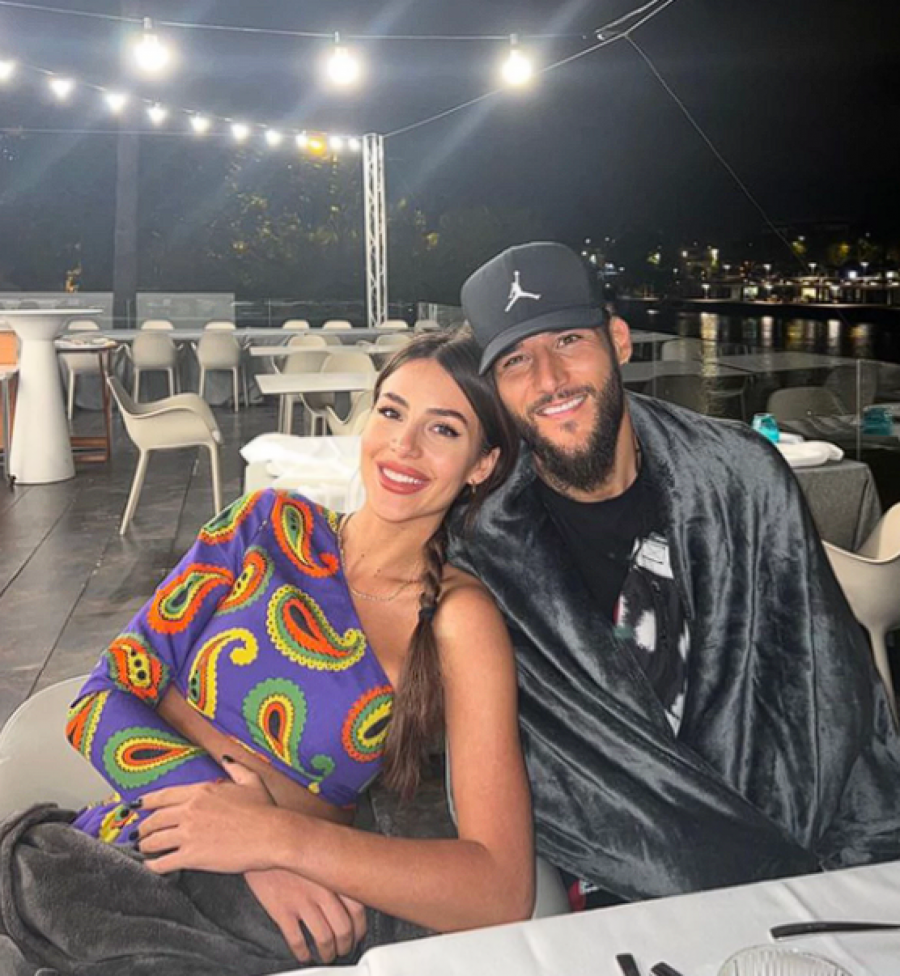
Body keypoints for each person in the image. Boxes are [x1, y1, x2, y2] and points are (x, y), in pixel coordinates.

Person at [0, 330, 533, 976]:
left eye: (443, 429)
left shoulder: (457, 618)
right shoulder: (265, 526)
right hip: (133, 851)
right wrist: (250, 841)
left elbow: (501, 890)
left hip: (272, 906)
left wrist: (273, 837)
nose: (404, 445)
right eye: (392, 412)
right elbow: (99, 702)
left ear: (482, 464)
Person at [449, 241, 900, 911]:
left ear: (618, 341)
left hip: (787, 851)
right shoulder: (483, 547)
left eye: (569, 340)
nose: (549, 379)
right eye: (516, 360)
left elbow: (832, 688)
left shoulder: (741, 476)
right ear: (494, 389)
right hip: (614, 883)